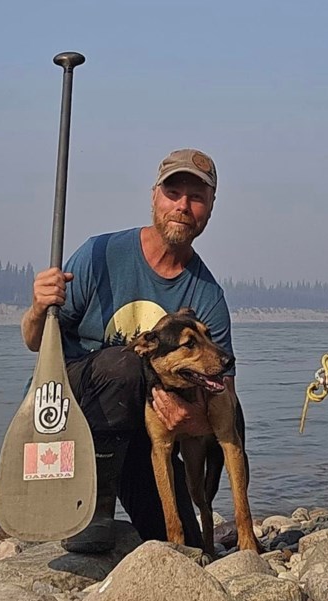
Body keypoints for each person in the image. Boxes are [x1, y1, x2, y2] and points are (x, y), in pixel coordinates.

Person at [20, 148, 238, 553]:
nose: (183, 206)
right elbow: (35, 341)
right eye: (174, 193)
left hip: (141, 432)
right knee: (127, 365)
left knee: (185, 549)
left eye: (196, 197)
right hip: (74, 403)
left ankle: (129, 497)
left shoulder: (207, 296)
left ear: (209, 208)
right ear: (155, 196)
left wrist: (190, 415)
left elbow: (221, 391)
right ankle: (94, 511)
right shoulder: (100, 255)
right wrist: (37, 308)